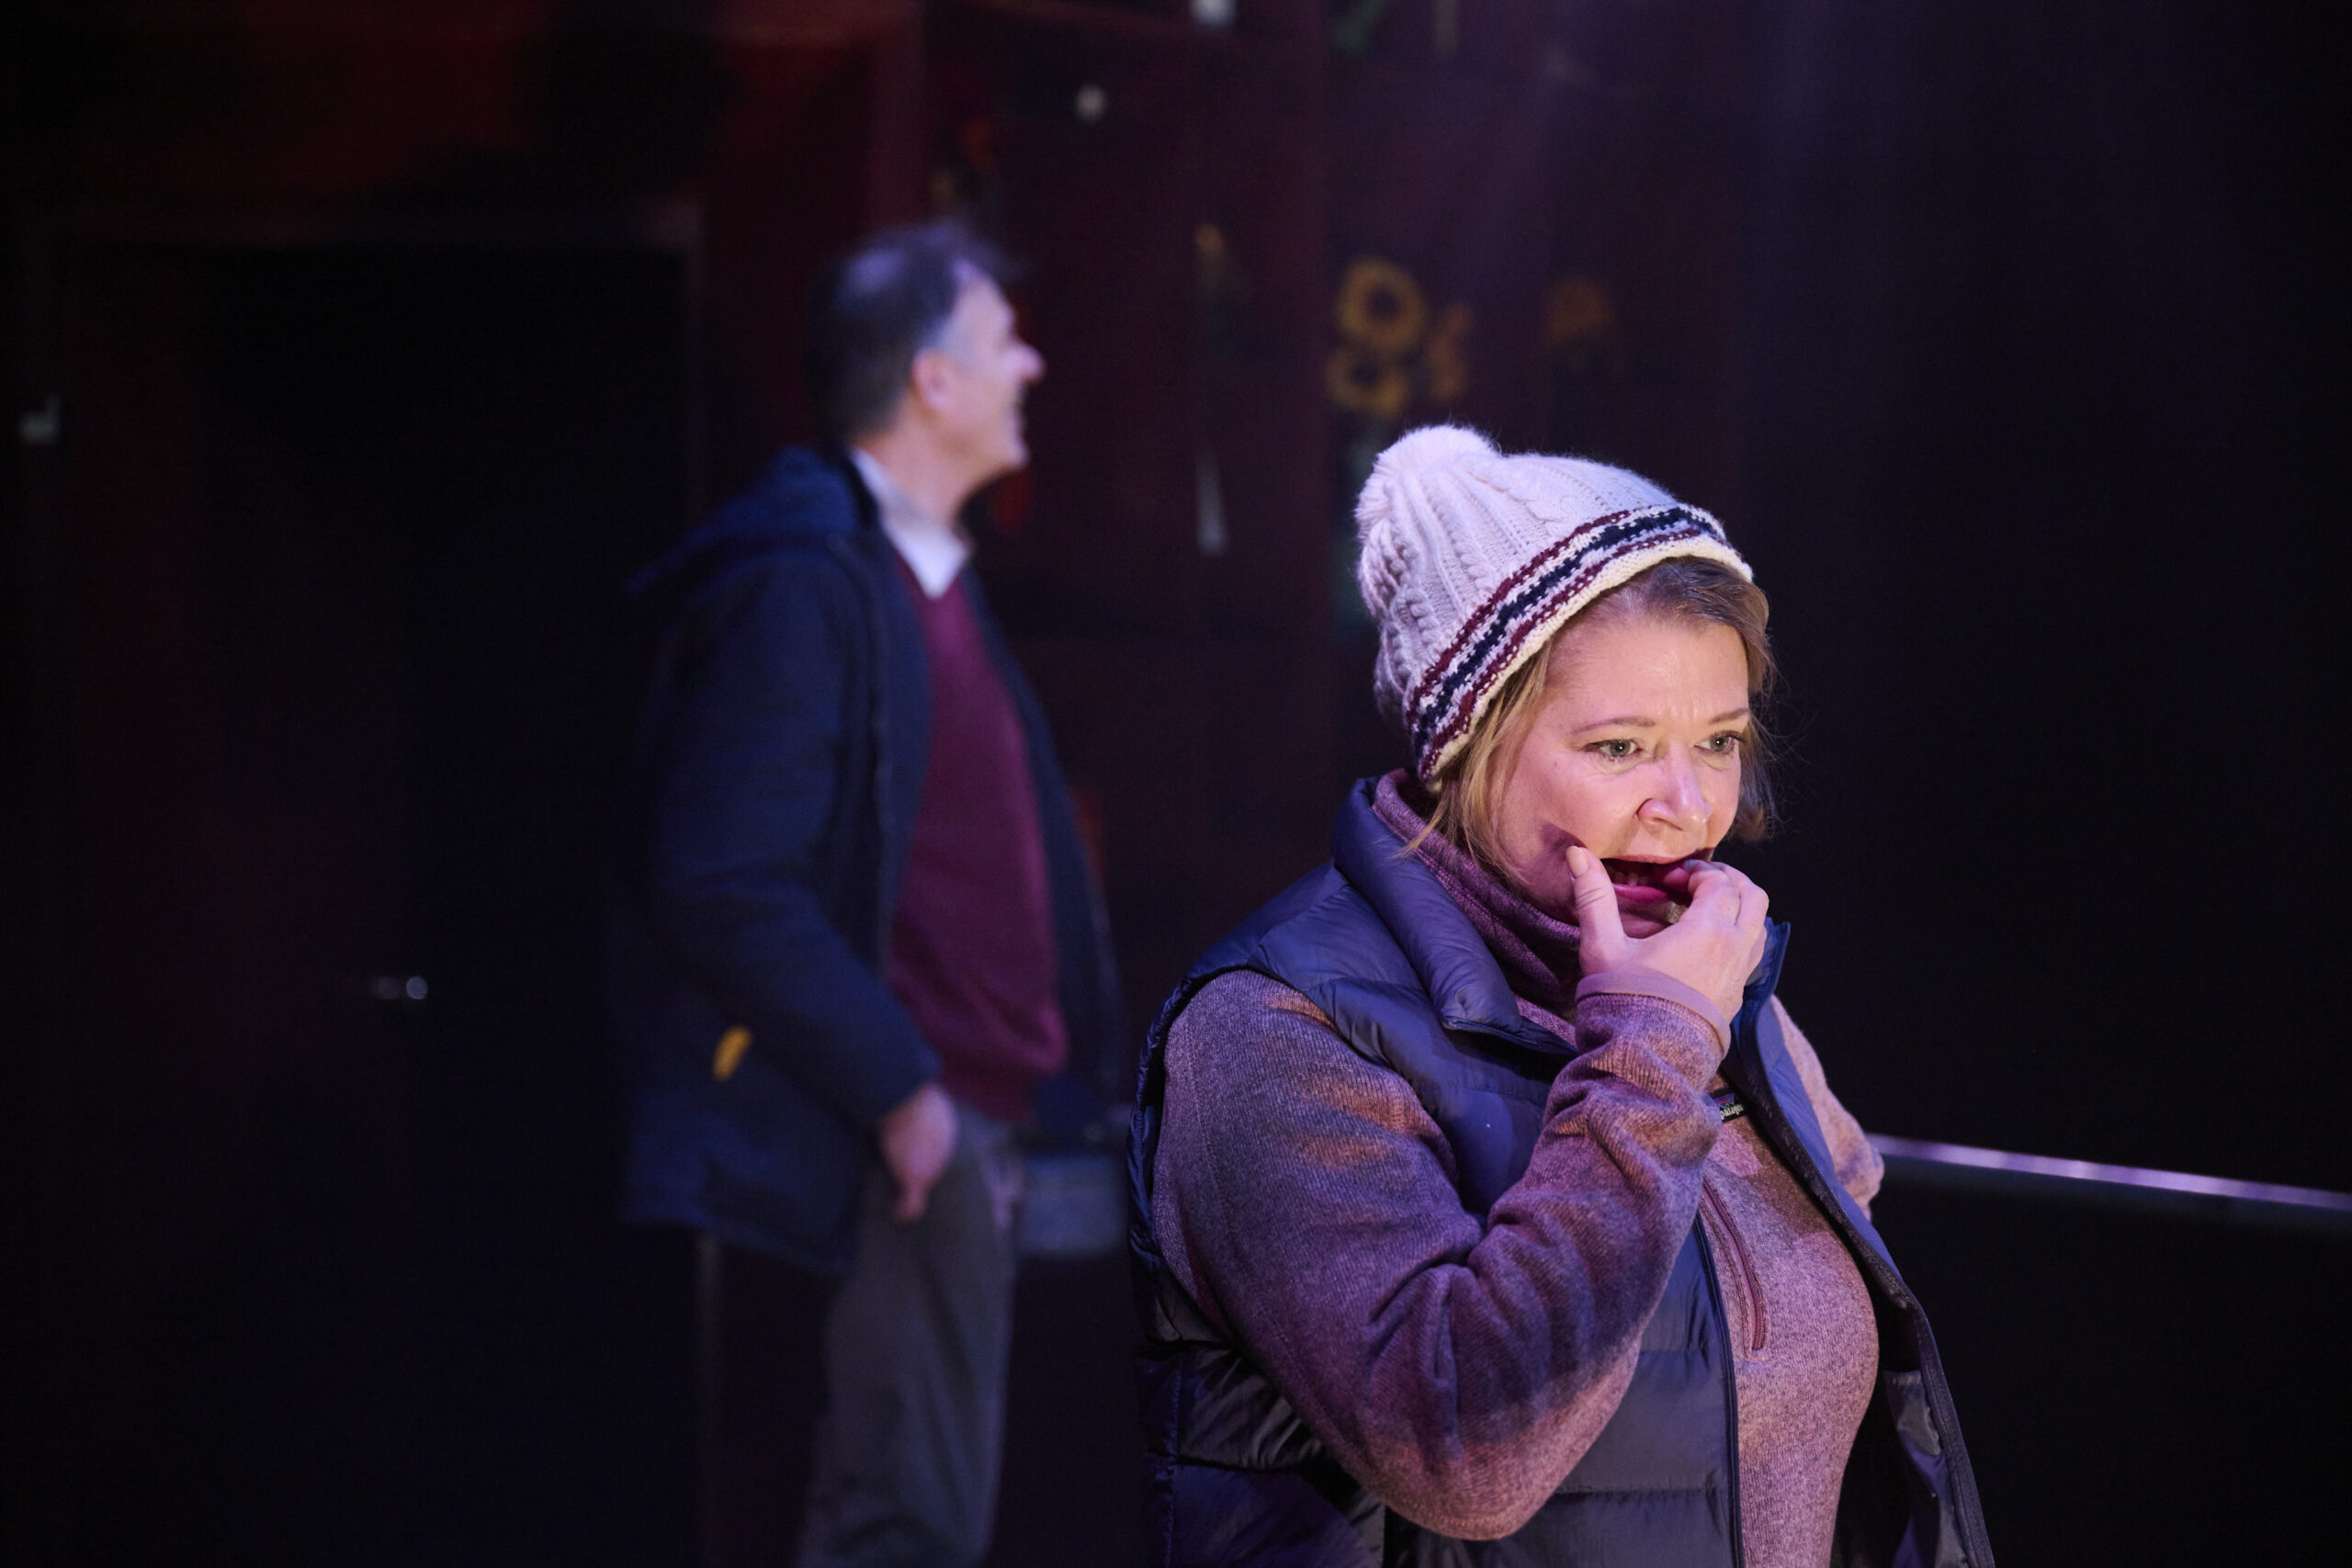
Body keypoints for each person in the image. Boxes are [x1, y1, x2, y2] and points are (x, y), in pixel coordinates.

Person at [1129, 426, 1995, 1566]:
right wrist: (1647, 1053)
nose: (1685, 806)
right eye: (1621, 746)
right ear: (1464, 743)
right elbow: (1463, 1457)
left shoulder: (1699, 983)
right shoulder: (1276, 1031)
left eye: (1720, 741)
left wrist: (1682, 1029)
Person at [609, 221, 1122, 1568]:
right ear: (934, 381)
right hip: (907, 1130)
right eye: (1004, 336)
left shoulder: (923, 582)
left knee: (906, 1518)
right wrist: (904, 1093)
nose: (1034, 360)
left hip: (974, 1125)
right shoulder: (812, 584)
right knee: (906, 1527)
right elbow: (721, 878)